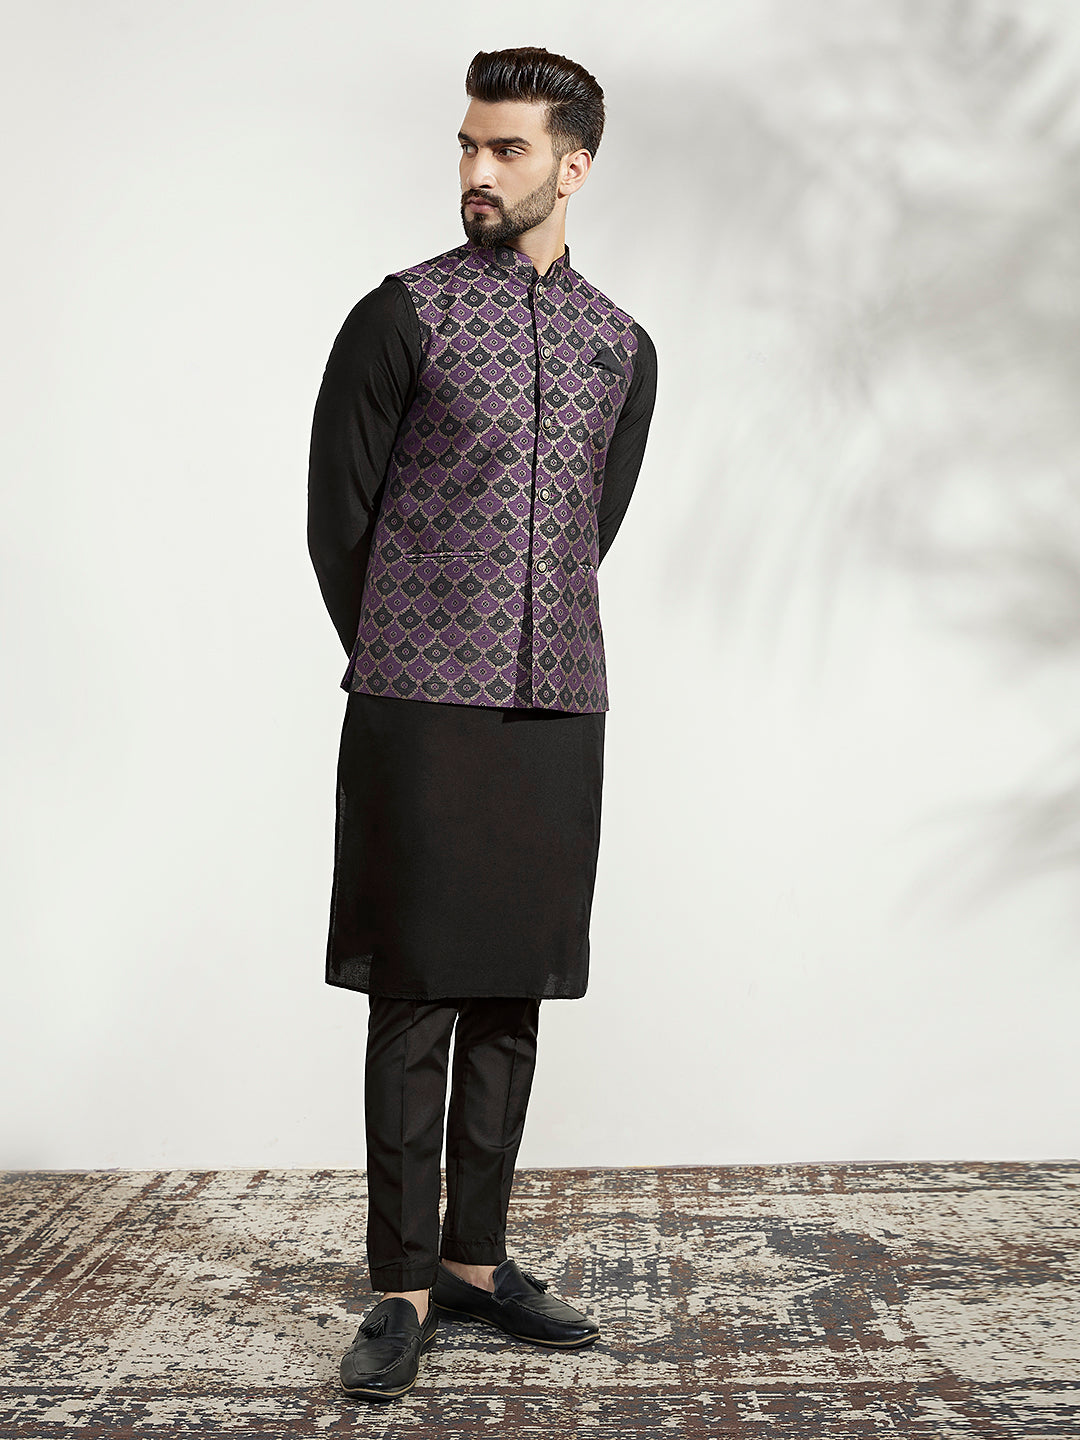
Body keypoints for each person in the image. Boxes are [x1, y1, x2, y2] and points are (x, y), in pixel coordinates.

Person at [306, 44, 658, 1401]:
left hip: (557, 702)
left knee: (514, 988)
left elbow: (589, 526)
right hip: (417, 701)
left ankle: (473, 1259)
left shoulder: (622, 348)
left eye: (507, 149)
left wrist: (521, 625)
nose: (477, 169)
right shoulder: (400, 316)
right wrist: (407, 642)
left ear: (575, 166)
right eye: (468, 143)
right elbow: (337, 519)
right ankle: (399, 1286)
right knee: (415, 994)